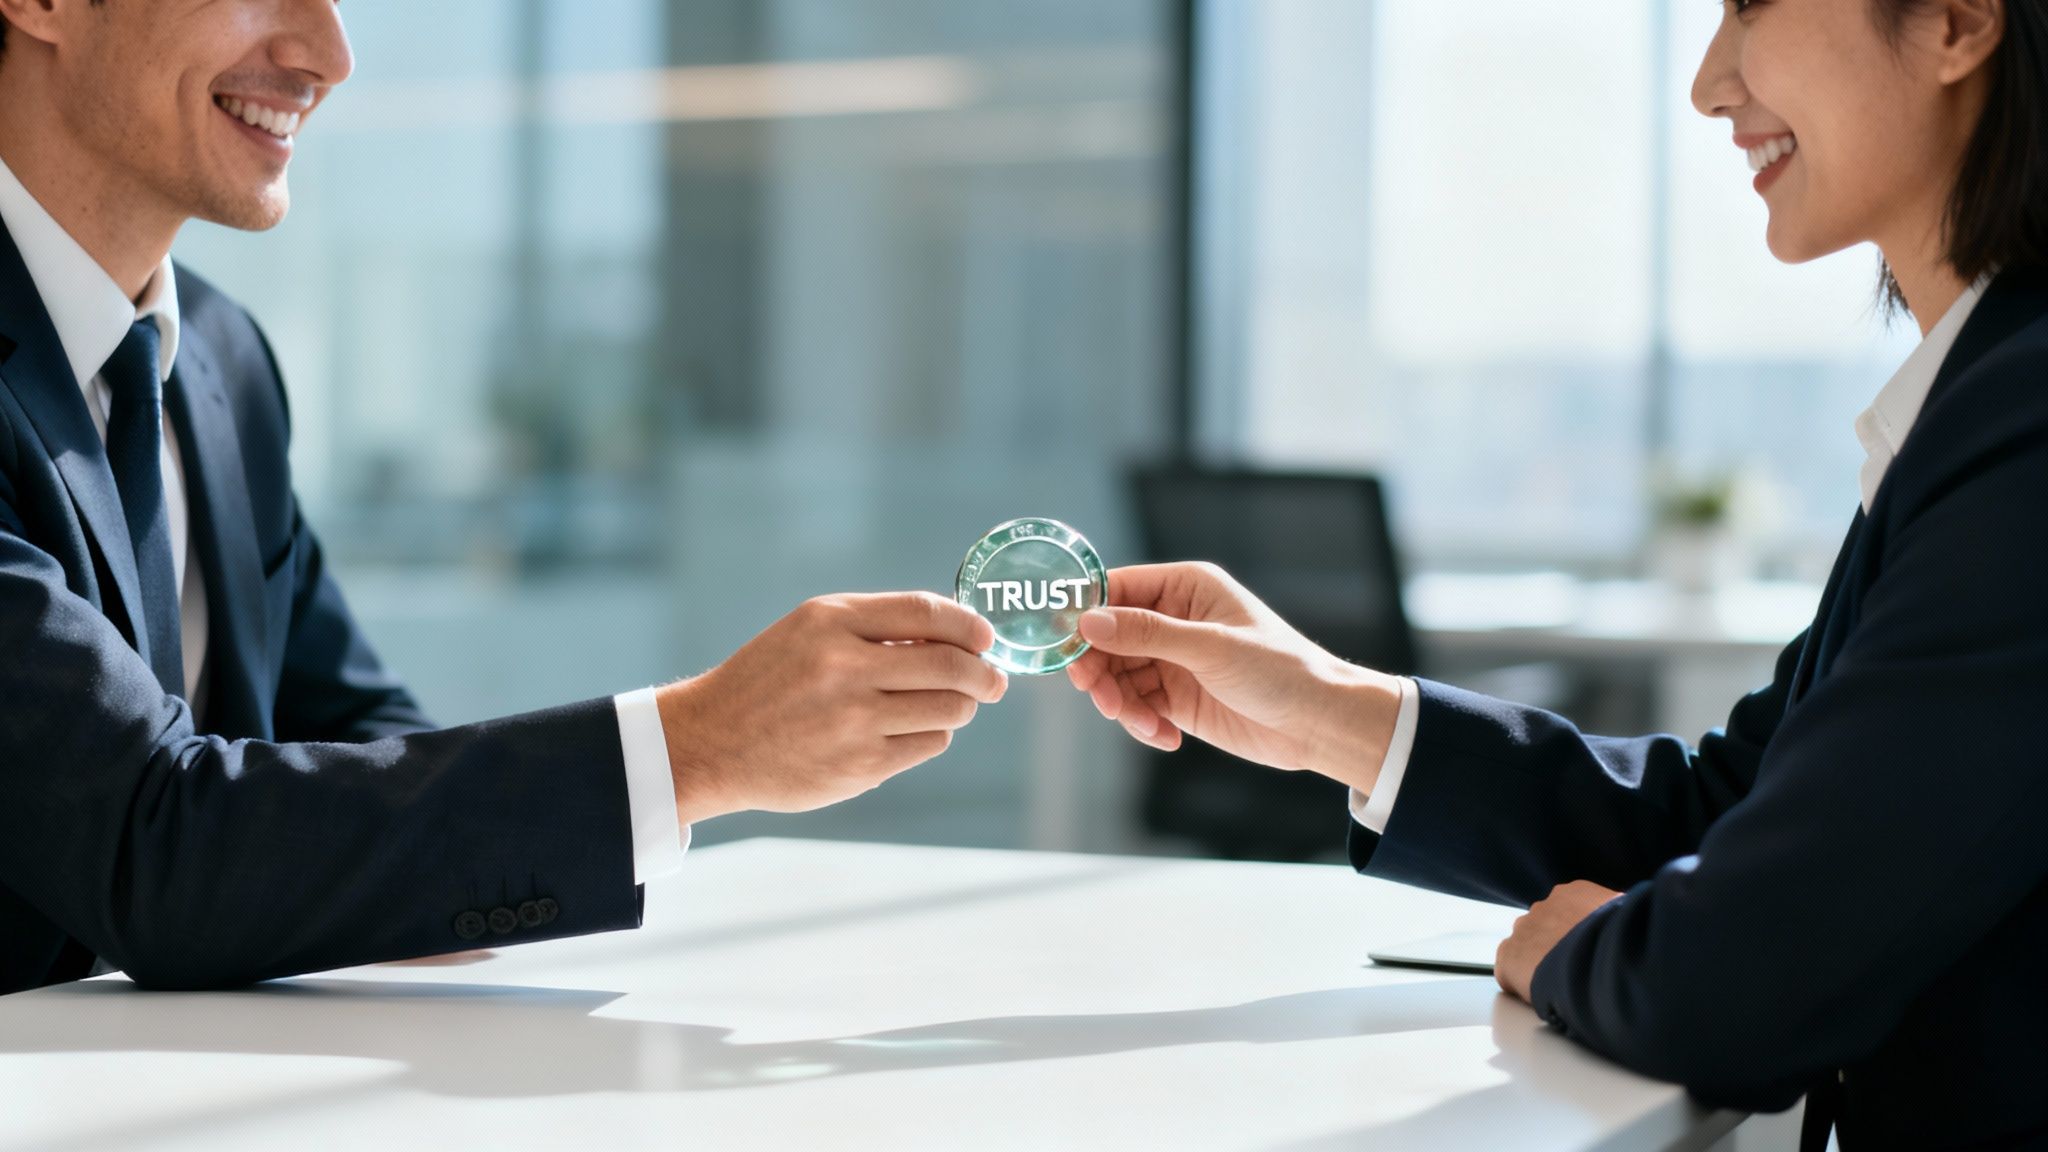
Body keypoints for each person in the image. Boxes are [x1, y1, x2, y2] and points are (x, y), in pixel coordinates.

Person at [1069, 0, 2047, 1147]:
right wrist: (1325, 711)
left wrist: (1578, 953)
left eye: (1748, 6)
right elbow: (1729, 807)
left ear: (1954, 21)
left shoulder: (2023, 419)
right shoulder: (1977, 399)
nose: (1707, 82)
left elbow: (1737, 987)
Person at [0, 0, 1006, 996]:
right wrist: (692, 748)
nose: (330, 53)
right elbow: (153, 847)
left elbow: (346, 736)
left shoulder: (221, 360)